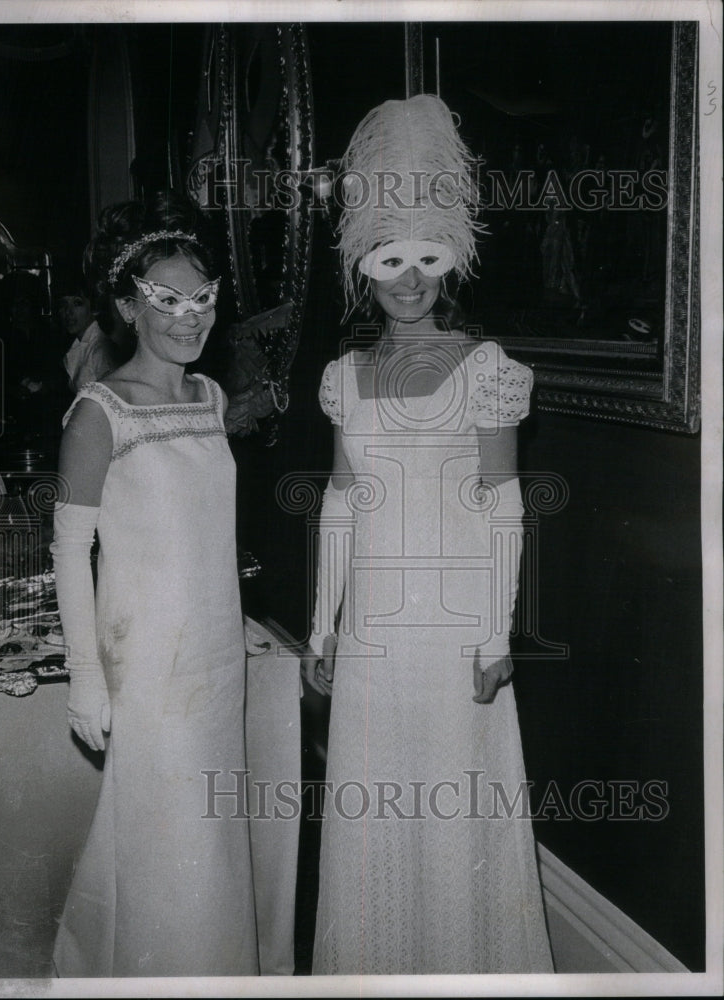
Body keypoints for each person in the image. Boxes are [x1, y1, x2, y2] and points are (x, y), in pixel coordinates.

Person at [300, 95, 553, 975]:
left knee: (458, 813)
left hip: (453, 638)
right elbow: (340, 500)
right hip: (372, 632)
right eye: (389, 259)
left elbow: (503, 504)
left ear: (451, 260)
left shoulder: (487, 372)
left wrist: (493, 635)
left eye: (426, 259)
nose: (409, 280)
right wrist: (325, 625)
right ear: (362, 265)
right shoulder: (343, 377)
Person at [51, 191, 258, 977]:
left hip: (216, 658)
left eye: (202, 298)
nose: (189, 316)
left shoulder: (207, 399)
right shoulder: (98, 413)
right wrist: (85, 681)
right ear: (125, 305)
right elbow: (71, 552)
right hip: (147, 671)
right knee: (165, 841)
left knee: (213, 834)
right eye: (166, 299)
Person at [57, 274, 119, 393]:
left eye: (77, 303)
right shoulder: (79, 344)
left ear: (93, 307)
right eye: (63, 304)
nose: (68, 312)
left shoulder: (101, 349)